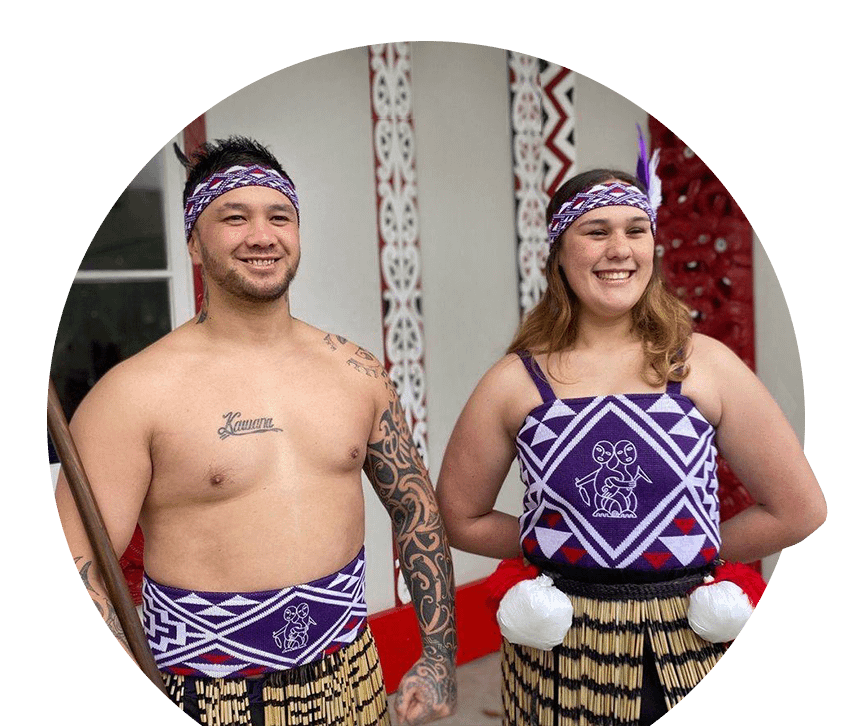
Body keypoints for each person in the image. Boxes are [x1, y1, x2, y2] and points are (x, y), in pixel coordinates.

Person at [54, 136, 457, 726]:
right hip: (205, 696)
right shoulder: (132, 395)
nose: (262, 236)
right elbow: (82, 563)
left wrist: (439, 657)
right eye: (233, 217)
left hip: (352, 682)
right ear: (193, 241)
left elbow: (416, 511)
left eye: (280, 216)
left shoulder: (358, 373)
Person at [435, 154, 825, 725]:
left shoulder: (703, 364)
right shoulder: (514, 382)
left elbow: (801, 508)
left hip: (688, 647)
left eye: (635, 230)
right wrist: (567, 547)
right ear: (559, 255)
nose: (620, 249)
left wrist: (690, 553)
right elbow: (460, 516)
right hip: (559, 654)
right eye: (596, 231)